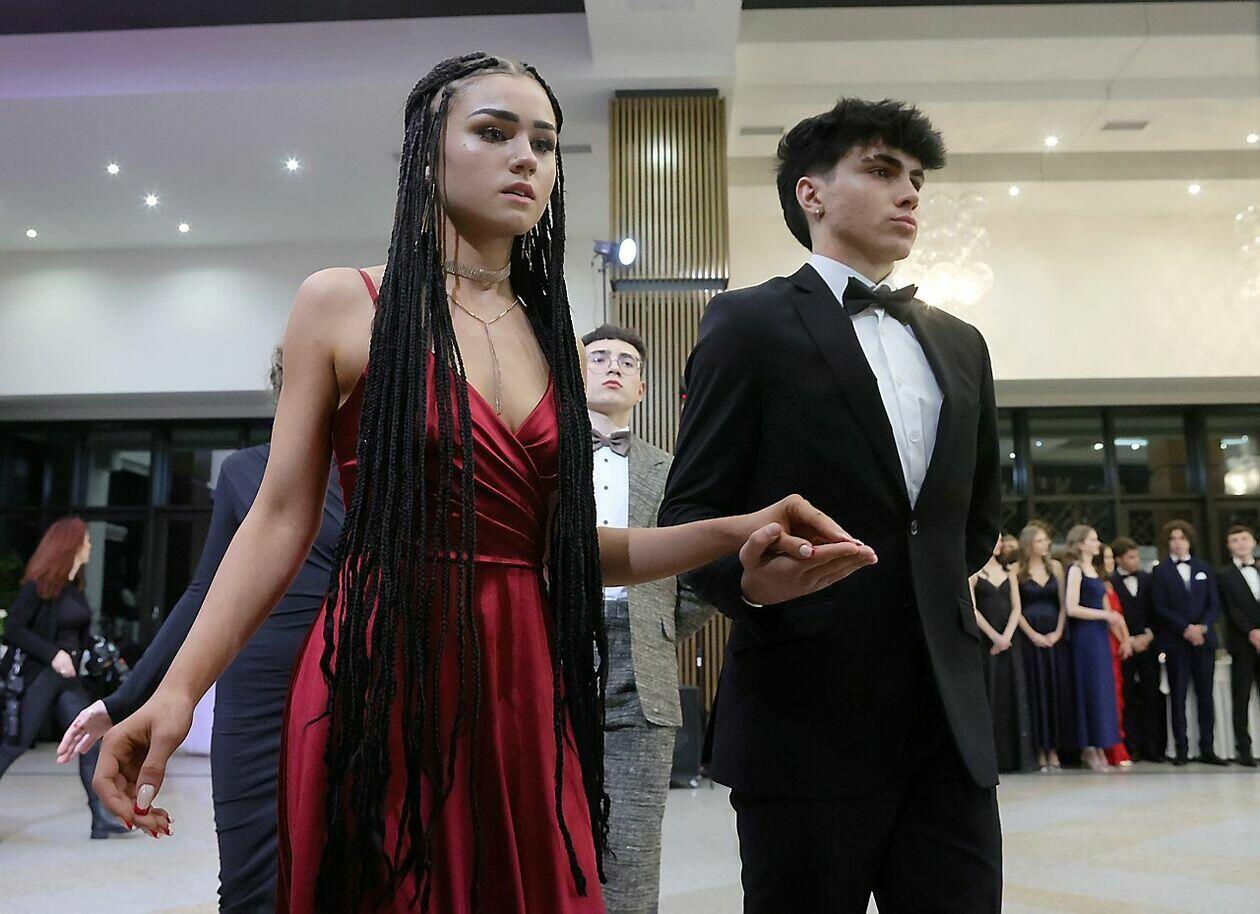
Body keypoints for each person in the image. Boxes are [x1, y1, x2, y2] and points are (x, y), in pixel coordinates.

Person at [92, 53, 874, 914]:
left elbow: (568, 550)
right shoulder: (344, 302)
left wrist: (735, 529)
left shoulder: (552, 339)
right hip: (384, 663)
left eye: (544, 142)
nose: (526, 158)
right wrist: (176, 690)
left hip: (521, 672)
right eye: (494, 133)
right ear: (427, 152)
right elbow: (278, 520)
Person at [660, 96, 1003, 913]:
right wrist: (750, 587)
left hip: (948, 722)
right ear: (810, 193)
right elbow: (691, 513)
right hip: (804, 717)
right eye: (881, 171)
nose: (908, 192)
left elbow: (972, 520)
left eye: (916, 178)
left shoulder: (962, 343)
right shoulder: (747, 323)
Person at [57, 347, 345, 909]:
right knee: (252, 879)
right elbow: (204, 591)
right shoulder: (247, 471)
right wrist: (123, 701)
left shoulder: (386, 472)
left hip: (356, 678)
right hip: (258, 697)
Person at [582, 322, 714, 913]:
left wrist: (659, 626)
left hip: (644, 675)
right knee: (546, 840)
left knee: (631, 854)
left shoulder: (673, 471)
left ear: (641, 388)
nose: (613, 366)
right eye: (599, 357)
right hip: (546, 661)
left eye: (627, 362)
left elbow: (701, 573)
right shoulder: (537, 458)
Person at [0, 518, 128, 839]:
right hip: (42, 675)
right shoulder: (39, 586)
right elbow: (14, 629)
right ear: (70, 544)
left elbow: (78, 634)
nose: (90, 545)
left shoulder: (75, 589)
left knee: (89, 740)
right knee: (15, 745)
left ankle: (100, 818)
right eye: (86, 540)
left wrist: (95, 652)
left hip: (68, 681)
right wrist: (53, 654)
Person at [1150, 519, 1226, 766]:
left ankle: (1208, 748)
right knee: (1178, 696)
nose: (1178, 543)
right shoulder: (1160, 571)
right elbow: (1160, 607)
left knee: (1206, 696)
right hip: (1176, 640)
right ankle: (1181, 748)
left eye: (1181, 538)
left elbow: (1214, 604)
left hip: (1203, 640)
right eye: (1173, 539)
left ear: (1189, 540)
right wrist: (1185, 628)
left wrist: (1202, 627)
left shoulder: (1204, 567)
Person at [1013, 521, 1074, 771]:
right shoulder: (1016, 570)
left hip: (1054, 635)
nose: (1046, 543)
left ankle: (1055, 749)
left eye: (1046, 540)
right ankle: (1039, 748)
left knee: (1054, 689)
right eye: (1040, 540)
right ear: (1029, 544)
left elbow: (1063, 604)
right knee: (1034, 690)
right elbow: (1016, 609)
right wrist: (1033, 634)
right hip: (1029, 637)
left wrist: (1058, 631)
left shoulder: (1055, 568)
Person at [970, 537, 1034, 773]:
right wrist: (994, 637)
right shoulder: (973, 572)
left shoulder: (1009, 572)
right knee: (990, 690)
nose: (997, 544)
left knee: (1011, 691)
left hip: (1009, 640)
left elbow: (1016, 607)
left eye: (999, 541)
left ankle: (1016, 757)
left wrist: (1006, 636)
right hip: (986, 641)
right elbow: (972, 608)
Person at [1063, 526, 1122, 772]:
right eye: (1092, 539)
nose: (1097, 543)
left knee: (1101, 690)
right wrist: (1105, 615)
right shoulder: (1076, 570)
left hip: (1098, 635)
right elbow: (1071, 607)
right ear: (1080, 544)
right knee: (1088, 688)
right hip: (1085, 636)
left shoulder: (1094, 571)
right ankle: (1088, 747)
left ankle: (1100, 745)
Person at [1110, 537, 1165, 762]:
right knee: (1127, 696)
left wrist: (1149, 635)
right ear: (1118, 559)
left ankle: (1153, 747)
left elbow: (1157, 610)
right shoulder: (1111, 582)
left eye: (1137, 556)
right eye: (1131, 557)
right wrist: (1128, 640)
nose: (1136, 561)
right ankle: (1131, 745)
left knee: (1151, 695)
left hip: (1148, 645)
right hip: (1124, 646)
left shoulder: (1148, 579)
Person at [1217, 524, 1260, 766]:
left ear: (1253, 542)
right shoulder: (1224, 575)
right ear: (1228, 546)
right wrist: (1251, 631)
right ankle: (1244, 749)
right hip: (1242, 642)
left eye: (1244, 539)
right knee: (1241, 697)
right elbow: (1230, 609)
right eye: (1234, 540)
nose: (1240, 544)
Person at [1095, 543, 1133, 768]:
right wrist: (1123, 639)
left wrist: (1126, 638)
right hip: (1108, 642)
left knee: (1118, 694)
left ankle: (1119, 747)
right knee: (1112, 694)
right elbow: (1111, 618)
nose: (1110, 562)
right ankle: (1113, 750)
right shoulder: (1100, 585)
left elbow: (1120, 617)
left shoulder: (1109, 584)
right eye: (1107, 558)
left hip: (1117, 640)